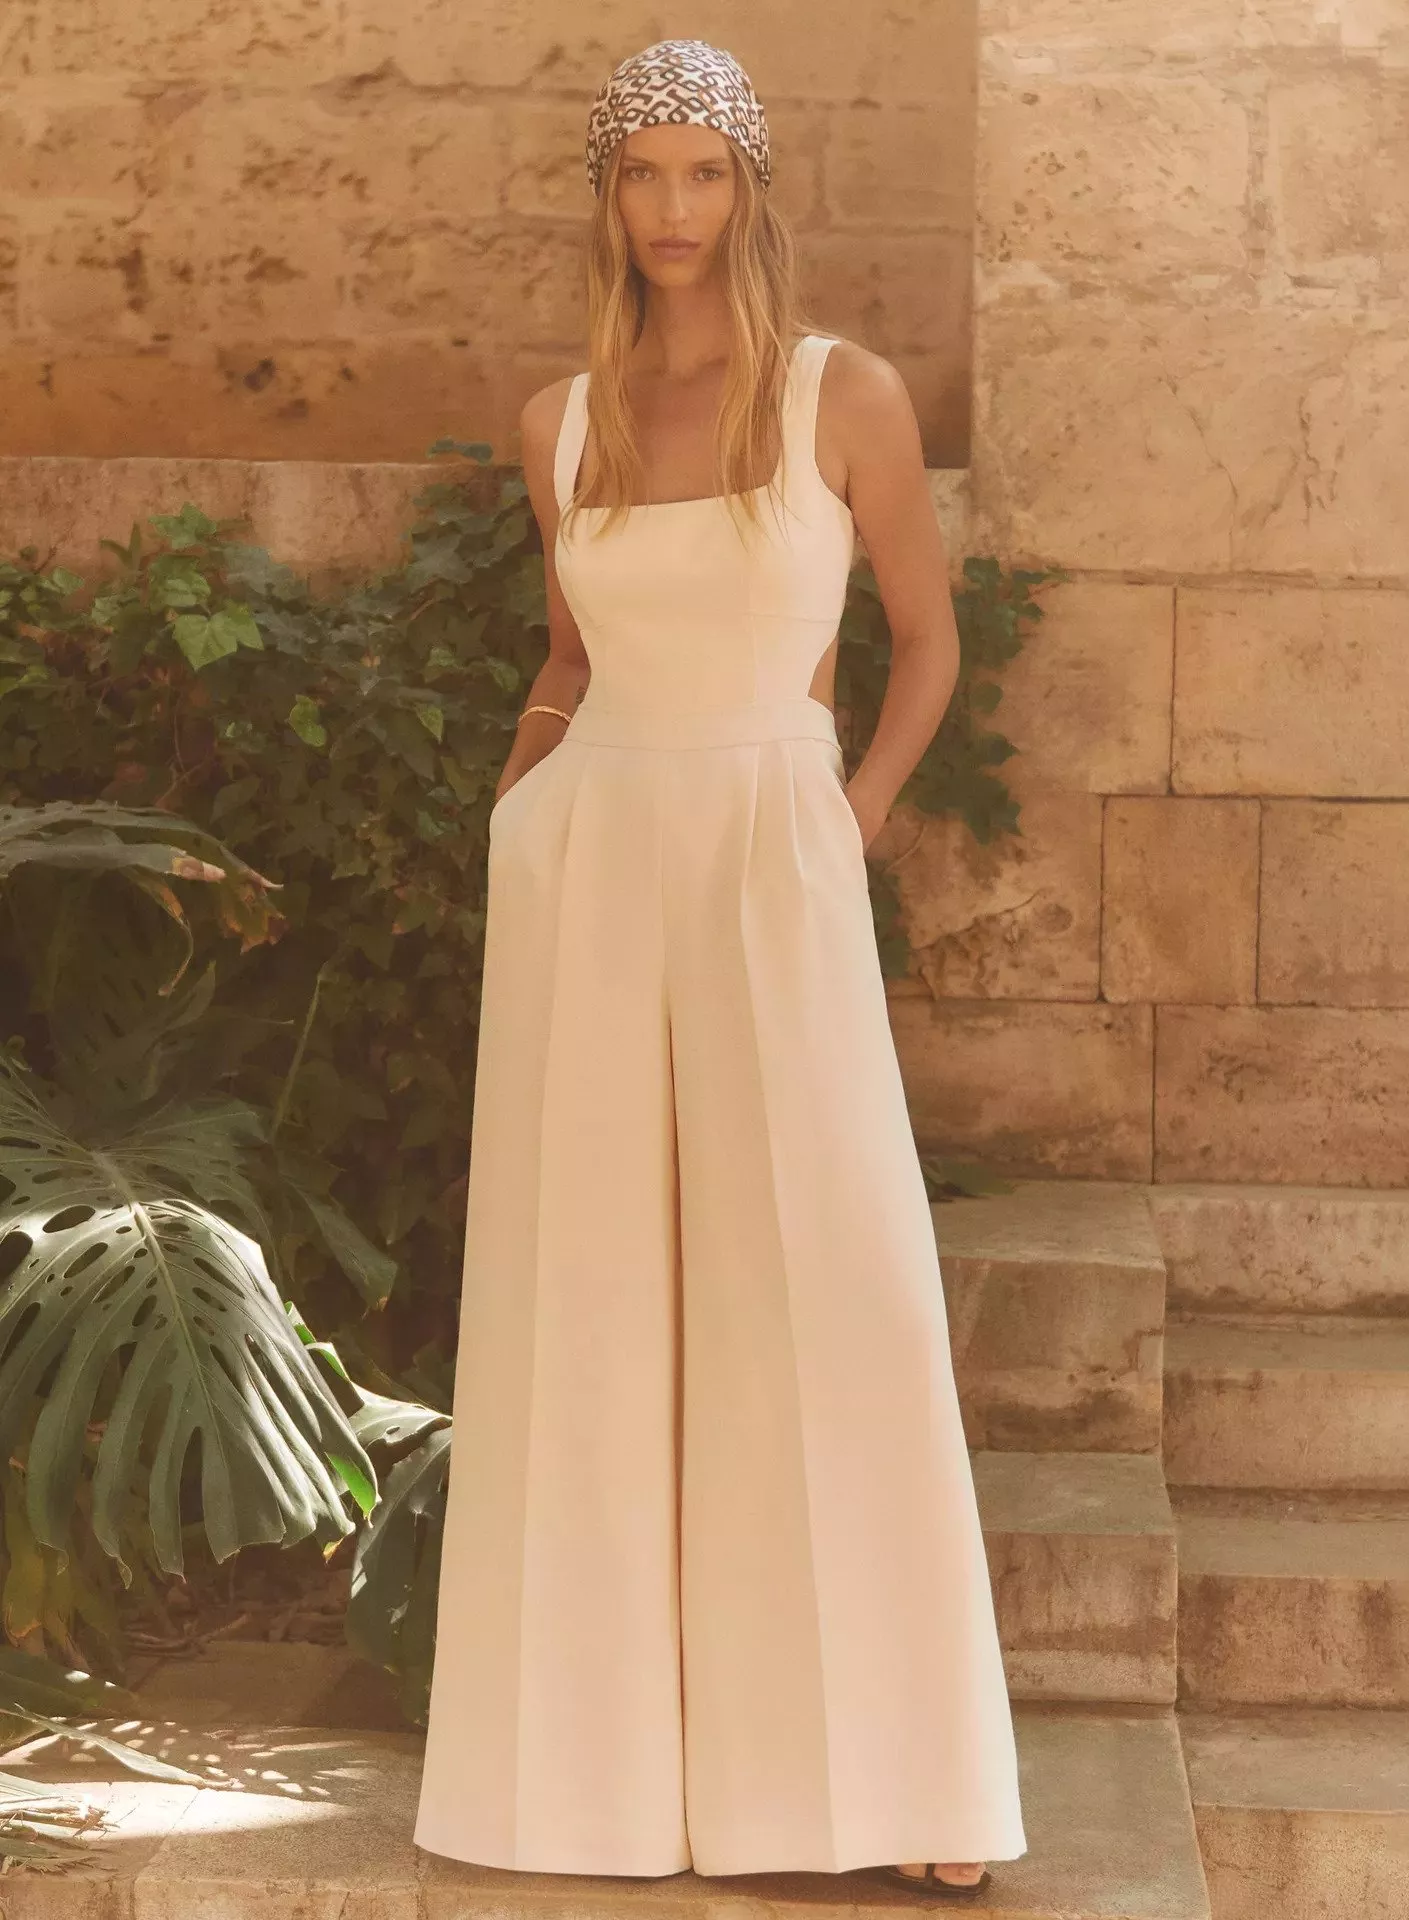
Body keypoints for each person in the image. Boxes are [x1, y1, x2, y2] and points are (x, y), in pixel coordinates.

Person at [413, 37, 1027, 1902]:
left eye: (702, 176)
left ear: (753, 189)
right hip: (594, 866)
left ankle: (900, 1794)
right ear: (606, 198)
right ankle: (584, 1790)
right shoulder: (562, 422)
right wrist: (518, 795)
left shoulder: (850, 395)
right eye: (639, 178)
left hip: (775, 855)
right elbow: (579, 653)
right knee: (589, 1303)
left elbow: (919, 644)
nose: (671, 213)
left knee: (823, 1288)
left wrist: (843, 821)